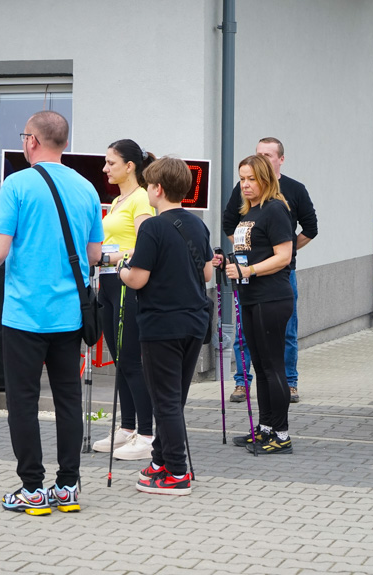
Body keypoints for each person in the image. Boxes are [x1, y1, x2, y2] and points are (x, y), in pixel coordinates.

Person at [0, 111, 103, 515]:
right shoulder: (87, 189)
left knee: (23, 401)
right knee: (68, 400)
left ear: (32, 142)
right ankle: (68, 487)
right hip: (70, 316)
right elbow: (94, 254)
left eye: (25, 135)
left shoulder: (17, 185)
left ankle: (33, 489)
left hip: (25, 315)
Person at [118, 156, 213, 495]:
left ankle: (176, 472)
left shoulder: (153, 228)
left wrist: (121, 270)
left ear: (157, 189)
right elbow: (206, 273)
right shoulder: (198, 226)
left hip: (162, 324)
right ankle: (160, 459)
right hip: (194, 322)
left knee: (165, 401)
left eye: (148, 186)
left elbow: (138, 279)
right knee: (174, 398)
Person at [223, 137, 318, 404]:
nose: (245, 183)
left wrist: (280, 251)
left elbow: (309, 229)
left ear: (280, 160)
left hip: (275, 281)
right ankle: (243, 382)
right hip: (249, 279)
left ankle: (290, 383)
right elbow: (229, 224)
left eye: (267, 155)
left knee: (284, 335)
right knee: (246, 336)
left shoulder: (287, 197)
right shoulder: (245, 199)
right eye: (243, 178)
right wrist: (248, 253)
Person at [213, 154, 294, 454]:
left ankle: (282, 435)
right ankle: (265, 428)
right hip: (250, 296)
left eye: (251, 179)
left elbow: (283, 256)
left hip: (271, 297)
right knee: (259, 366)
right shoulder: (250, 212)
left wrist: (248, 270)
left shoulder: (275, 209)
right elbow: (251, 252)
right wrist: (228, 262)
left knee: (273, 366)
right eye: (242, 179)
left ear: (265, 179)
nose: (245, 185)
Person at [91, 139, 157, 461]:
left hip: (126, 285)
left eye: (111, 163)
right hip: (107, 283)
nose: (105, 169)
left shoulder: (142, 198)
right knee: (120, 360)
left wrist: (112, 256)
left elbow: (147, 245)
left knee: (132, 360)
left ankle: (146, 434)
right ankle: (127, 428)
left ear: (130, 166)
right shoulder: (118, 201)